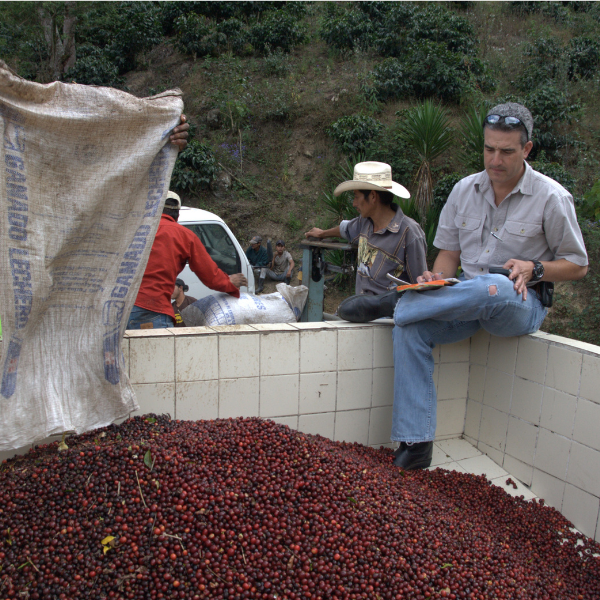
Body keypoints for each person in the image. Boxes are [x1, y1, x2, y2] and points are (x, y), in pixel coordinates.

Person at [339, 103, 588, 470]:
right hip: (464, 300)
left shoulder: (552, 197)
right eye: (489, 149)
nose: (495, 159)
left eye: (506, 151)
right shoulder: (463, 190)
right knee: (411, 329)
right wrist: (430, 279)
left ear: (527, 149)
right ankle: (416, 444)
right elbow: (447, 257)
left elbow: (578, 265)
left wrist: (534, 268)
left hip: (518, 303)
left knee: (497, 284)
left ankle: (395, 302)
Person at [304, 161, 427, 303]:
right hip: (361, 310)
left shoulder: (409, 234)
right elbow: (346, 229)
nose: (354, 203)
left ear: (373, 197)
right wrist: (322, 233)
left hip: (388, 319)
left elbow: (420, 287)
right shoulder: (365, 223)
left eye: (356, 197)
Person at [127, 192, 247, 329]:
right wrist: (228, 282)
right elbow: (209, 275)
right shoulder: (184, 235)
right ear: (177, 215)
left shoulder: (134, 230)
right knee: (161, 350)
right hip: (152, 309)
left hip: (119, 308)